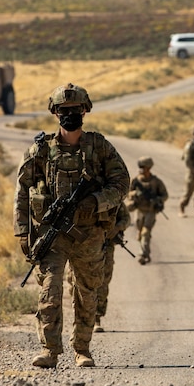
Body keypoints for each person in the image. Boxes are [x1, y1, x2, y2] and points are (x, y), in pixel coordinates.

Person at [14, 83, 129, 368]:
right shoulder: (40, 150)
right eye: (64, 110)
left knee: (86, 294)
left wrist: (97, 201)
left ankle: (82, 349)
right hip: (52, 236)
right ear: (55, 113)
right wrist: (23, 231)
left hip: (89, 234)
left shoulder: (99, 147)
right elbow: (22, 192)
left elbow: (122, 182)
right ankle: (49, 350)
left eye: (75, 110)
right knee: (49, 292)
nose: (70, 115)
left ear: (85, 111)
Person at [63, 203, 131, 333]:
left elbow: (126, 218)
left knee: (102, 282)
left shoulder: (112, 200)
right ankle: (80, 315)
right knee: (73, 281)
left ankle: (96, 318)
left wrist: (116, 228)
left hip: (105, 246)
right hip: (80, 245)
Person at [127, 156, 169, 265]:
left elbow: (165, 195)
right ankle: (145, 250)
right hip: (139, 210)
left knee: (146, 232)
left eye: (143, 167)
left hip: (150, 211)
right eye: (140, 167)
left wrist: (157, 199)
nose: (141, 169)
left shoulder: (156, 182)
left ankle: (143, 254)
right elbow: (128, 193)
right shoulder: (136, 181)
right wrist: (135, 194)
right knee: (140, 232)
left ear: (149, 168)